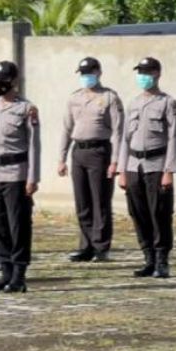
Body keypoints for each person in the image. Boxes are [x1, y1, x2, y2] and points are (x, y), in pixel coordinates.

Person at [0, 61, 40, 293]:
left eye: (3, 79)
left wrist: (32, 178)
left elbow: (34, 146)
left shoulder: (26, 109)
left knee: (18, 226)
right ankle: (5, 272)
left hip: (17, 174)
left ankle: (19, 275)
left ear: (14, 81)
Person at [119, 57, 176, 279]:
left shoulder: (168, 103)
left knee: (160, 213)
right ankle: (148, 258)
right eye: (140, 72)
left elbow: (174, 138)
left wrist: (169, 171)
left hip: (157, 164)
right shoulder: (134, 103)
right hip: (135, 165)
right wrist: (122, 170)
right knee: (138, 213)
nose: (143, 76)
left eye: (147, 72)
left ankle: (162, 260)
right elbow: (125, 138)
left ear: (157, 74)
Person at [58, 56, 124, 263]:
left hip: (99, 151)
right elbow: (67, 129)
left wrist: (115, 161)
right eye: (83, 74)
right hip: (79, 152)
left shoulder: (109, 98)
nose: (86, 77)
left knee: (100, 201)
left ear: (98, 72)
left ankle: (101, 246)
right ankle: (85, 245)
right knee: (82, 202)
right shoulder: (74, 98)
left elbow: (117, 132)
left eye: (89, 73)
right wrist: (61, 158)